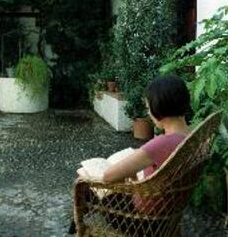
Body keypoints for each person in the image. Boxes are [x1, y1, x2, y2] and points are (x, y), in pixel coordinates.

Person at [69, 75, 192, 234]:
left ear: (158, 107)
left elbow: (108, 177)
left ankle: (77, 230)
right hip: (166, 213)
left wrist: (128, 173)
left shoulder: (163, 143)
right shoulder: (191, 137)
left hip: (140, 221)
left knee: (85, 185)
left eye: (149, 108)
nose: (149, 113)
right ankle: (74, 228)